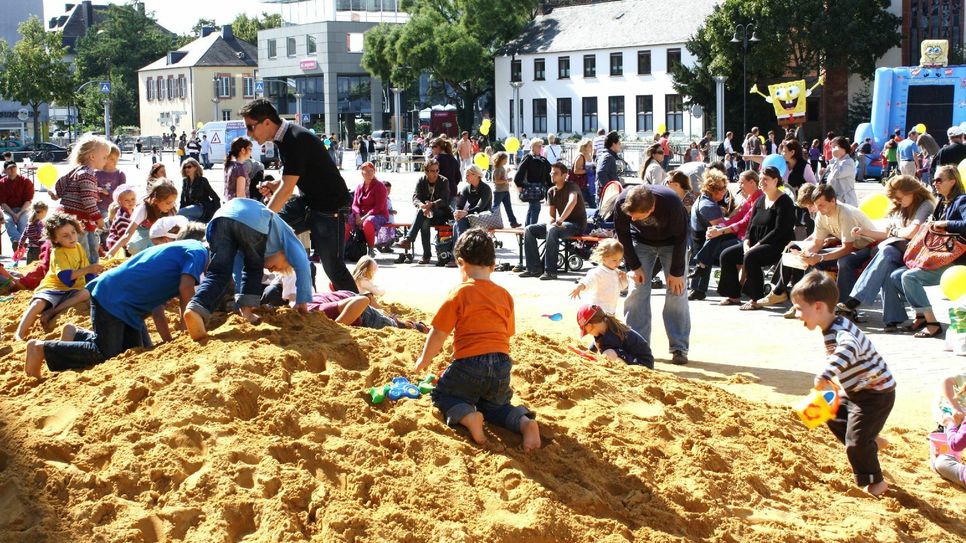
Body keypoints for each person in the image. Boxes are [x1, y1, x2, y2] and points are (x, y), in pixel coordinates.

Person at [413, 228, 541, 452]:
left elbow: (439, 334)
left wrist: (423, 360)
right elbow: (506, 333)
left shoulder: (459, 293)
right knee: (496, 406)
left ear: (461, 263)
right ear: (492, 266)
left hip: (470, 365)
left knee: (443, 394)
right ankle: (525, 423)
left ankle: (470, 418)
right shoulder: (504, 295)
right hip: (501, 365)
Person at [23, 236, 209, 377]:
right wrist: (188, 333)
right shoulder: (198, 252)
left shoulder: (185, 250)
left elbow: (158, 309)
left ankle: (75, 334)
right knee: (105, 352)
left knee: (130, 351)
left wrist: (171, 341)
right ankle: (41, 348)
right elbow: (186, 290)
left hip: (126, 303)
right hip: (113, 296)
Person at [790, 271, 895, 497]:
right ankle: (872, 441)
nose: (796, 314)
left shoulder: (841, 330)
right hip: (858, 390)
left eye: (799, 308)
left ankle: (875, 482)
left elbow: (849, 348)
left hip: (875, 394)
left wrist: (826, 373)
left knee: (855, 444)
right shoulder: (831, 326)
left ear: (818, 307)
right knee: (831, 412)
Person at [239, 98, 356, 292]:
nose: (248, 134)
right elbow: (295, 177)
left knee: (333, 267)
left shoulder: (294, 139)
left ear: (267, 122)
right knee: (261, 236)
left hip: (330, 207)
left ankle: (362, 310)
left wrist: (263, 221)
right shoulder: (284, 138)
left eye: (251, 127)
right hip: (309, 203)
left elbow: (287, 189)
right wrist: (275, 184)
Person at [183, 198, 313, 340]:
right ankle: (247, 312)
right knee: (253, 268)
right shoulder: (288, 237)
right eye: (277, 268)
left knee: (219, 273)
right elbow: (303, 265)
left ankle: (196, 308)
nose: (270, 270)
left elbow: (238, 273)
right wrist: (302, 301)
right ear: (285, 254)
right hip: (253, 219)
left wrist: (242, 303)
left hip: (220, 220)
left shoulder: (246, 249)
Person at [836, 176, 935, 329]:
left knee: (887, 252)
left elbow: (912, 232)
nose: (896, 200)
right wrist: (864, 232)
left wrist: (895, 231)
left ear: (911, 192)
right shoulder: (900, 206)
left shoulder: (925, 205)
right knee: (887, 262)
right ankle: (892, 319)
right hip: (900, 250)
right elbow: (887, 233)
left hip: (916, 255)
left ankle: (856, 299)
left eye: (899, 197)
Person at [614, 184, 690, 365]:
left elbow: (681, 237)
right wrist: (633, 266)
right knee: (637, 290)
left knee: (676, 291)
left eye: (638, 216)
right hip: (640, 242)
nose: (632, 218)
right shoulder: (622, 202)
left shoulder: (671, 203)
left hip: (672, 244)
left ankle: (679, 347)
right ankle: (636, 345)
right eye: (631, 215)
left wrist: (676, 272)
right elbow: (622, 233)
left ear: (652, 208)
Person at [893, 164, 966, 339]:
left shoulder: (961, 200)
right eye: (933, 179)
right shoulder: (942, 201)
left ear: (952, 181)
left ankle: (932, 323)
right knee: (896, 276)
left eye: (939, 180)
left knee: (909, 277)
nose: (935, 183)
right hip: (937, 256)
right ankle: (921, 316)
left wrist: (945, 224)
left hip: (953, 261)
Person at [717, 166, 795, 309]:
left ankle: (756, 299)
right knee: (727, 255)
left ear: (775, 180)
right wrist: (746, 241)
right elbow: (750, 226)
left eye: (766, 179)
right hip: (755, 243)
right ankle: (733, 295)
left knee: (751, 257)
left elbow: (780, 230)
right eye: (761, 179)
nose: (762, 182)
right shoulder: (760, 201)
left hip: (776, 245)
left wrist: (756, 245)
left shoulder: (785, 202)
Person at [15, 212, 102, 341]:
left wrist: (93, 282)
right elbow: (65, 277)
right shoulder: (58, 252)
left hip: (73, 290)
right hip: (54, 288)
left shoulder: (78, 247)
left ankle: (53, 311)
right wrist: (87, 269)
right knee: (38, 303)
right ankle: (20, 332)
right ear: (55, 239)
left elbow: (88, 274)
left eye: (73, 232)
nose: (72, 237)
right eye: (65, 235)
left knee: (86, 293)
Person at [692, 170, 762, 301]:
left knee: (720, 245)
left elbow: (744, 221)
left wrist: (721, 229)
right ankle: (731, 291)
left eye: (741, 183)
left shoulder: (757, 199)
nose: (739, 186)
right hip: (742, 236)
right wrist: (719, 228)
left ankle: (701, 264)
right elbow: (737, 219)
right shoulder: (750, 200)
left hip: (749, 238)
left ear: (752, 182)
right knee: (716, 237)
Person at [519, 162, 586, 280]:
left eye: (556, 173)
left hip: (576, 225)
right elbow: (551, 215)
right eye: (551, 173)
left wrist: (559, 221)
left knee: (553, 231)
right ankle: (534, 269)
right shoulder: (551, 191)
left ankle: (550, 271)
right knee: (529, 229)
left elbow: (573, 201)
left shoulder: (572, 186)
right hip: (560, 224)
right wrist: (552, 222)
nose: (552, 175)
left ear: (565, 175)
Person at [52, 134, 109, 265]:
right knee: (85, 249)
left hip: (74, 217)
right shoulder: (86, 174)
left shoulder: (77, 171)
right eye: (104, 157)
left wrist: (58, 194)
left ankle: (89, 270)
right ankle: (87, 273)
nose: (106, 160)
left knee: (90, 245)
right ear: (93, 157)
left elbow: (60, 184)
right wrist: (98, 218)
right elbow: (87, 199)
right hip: (79, 219)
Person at [398, 158, 453, 264]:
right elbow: (415, 197)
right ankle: (426, 255)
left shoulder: (443, 181)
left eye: (437, 170)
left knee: (422, 214)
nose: (435, 173)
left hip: (440, 214)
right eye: (432, 171)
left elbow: (444, 200)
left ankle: (409, 240)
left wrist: (431, 205)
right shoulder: (421, 181)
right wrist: (422, 205)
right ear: (426, 171)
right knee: (424, 221)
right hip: (425, 213)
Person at [105, 182, 178, 258]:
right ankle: (146, 258)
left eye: (173, 202)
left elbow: (176, 232)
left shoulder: (171, 210)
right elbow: (128, 234)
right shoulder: (144, 208)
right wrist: (111, 252)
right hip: (143, 233)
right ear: (156, 200)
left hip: (161, 234)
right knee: (133, 246)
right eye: (168, 203)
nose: (172, 205)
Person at [687, 170, 729, 300]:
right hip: (703, 240)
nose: (724, 191)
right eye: (721, 188)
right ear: (712, 189)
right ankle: (698, 290)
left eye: (724, 187)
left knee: (703, 261)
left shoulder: (702, 199)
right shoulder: (709, 205)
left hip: (697, 239)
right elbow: (722, 228)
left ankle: (698, 290)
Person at [576, 303, 653, 368]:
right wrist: (589, 351)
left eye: (586, 330)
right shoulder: (606, 326)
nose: (587, 333)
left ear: (589, 326)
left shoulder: (611, 337)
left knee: (608, 354)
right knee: (606, 351)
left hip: (643, 364)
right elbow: (596, 341)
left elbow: (608, 352)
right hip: (633, 357)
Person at [568, 238, 628, 315]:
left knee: (609, 326)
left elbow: (620, 287)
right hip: (597, 311)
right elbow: (588, 281)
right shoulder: (598, 272)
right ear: (604, 258)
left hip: (611, 309)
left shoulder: (616, 272)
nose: (618, 263)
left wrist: (624, 280)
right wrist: (580, 286)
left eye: (620, 259)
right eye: (614, 260)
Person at [350, 161, 390, 255]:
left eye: (371, 170)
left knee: (368, 221)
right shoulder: (359, 187)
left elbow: (379, 206)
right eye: (366, 171)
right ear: (362, 173)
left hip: (379, 214)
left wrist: (364, 217)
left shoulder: (380, 186)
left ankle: (371, 249)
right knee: (348, 220)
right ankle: (343, 248)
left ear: (374, 171)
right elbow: (355, 204)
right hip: (362, 215)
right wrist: (357, 215)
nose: (369, 173)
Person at [513, 138, 552, 227]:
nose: (540, 148)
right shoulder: (528, 158)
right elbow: (520, 172)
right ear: (532, 147)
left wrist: (551, 186)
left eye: (541, 146)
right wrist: (519, 184)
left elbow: (548, 173)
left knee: (532, 208)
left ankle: (527, 229)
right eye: (538, 146)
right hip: (530, 188)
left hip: (539, 189)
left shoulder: (542, 159)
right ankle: (531, 230)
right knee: (535, 208)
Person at [452, 164, 495, 243]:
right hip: (472, 216)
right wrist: (457, 212)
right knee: (458, 222)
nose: (465, 177)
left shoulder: (486, 188)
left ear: (475, 175)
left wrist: (466, 213)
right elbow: (459, 205)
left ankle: (460, 248)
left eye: (467, 175)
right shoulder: (466, 189)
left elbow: (480, 207)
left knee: (459, 223)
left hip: (483, 217)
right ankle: (460, 249)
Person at [0, 160, 33, 254]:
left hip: (23, 209)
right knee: (8, 220)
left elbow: (28, 200)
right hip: (8, 210)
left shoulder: (26, 181)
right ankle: (20, 243)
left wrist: (19, 213)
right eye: (9, 168)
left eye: (14, 167)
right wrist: (13, 214)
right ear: (5, 171)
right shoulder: (1, 183)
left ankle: (18, 246)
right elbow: (2, 203)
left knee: (23, 221)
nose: (12, 170)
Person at [93, 144, 125, 232]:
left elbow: (123, 194)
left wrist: (108, 192)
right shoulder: (96, 173)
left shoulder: (120, 174)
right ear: (104, 158)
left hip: (115, 208)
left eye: (117, 159)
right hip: (101, 207)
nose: (115, 161)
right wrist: (96, 193)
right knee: (104, 229)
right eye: (112, 159)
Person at [178, 158, 220, 222]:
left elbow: (216, 197)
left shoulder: (202, 180)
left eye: (189, 167)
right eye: (185, 167)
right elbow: (182, 200)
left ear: (195, 168)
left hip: (202, 208)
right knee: (186, 221)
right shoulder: (185, 181)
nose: (186, 169)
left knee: (178, 213)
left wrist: (216, 215)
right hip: (191, 209)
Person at [821, 136, 858, 206]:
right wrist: (823, 173)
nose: (833, 150)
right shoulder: (834, 162)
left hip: (846, 203)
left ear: (843, 147)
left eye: (835, 147)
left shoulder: (849, 162)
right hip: (833, 201)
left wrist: (835, 158)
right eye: (831, 147)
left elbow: (837, 174)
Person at [489, 151, 520, 228]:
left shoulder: (502, 168)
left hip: (505, 191)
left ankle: (513, 222)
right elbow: (496, 181)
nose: (506, 161)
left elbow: (502, 178)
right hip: (499, 192)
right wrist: (507, 180)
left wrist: (507, 173)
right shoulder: (498, 169)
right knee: (495, 208)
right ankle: (491, 221)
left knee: (508, 208)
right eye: (505, 159)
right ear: (501, 159)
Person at [106, 185, 136, 251]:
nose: (130, 202)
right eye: (126, 200)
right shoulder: (121, 217)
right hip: (117, 246)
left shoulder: (134, 212)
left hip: (125, 242)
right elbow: (124, 236)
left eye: (133, 199)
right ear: (120, 202)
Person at [433, 138, 462, 204]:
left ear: (438, 147)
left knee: (438, 213)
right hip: (452, 190)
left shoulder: (436, 160)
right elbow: (458, 177)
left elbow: (431, 176)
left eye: (433, 147)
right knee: (451, 213)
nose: (432, 149)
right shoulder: (453, 159)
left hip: (439, 193)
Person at [224, 137, 251, 202]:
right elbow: (240, 194)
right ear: (243, 150)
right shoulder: (240, 168)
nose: (251, 152)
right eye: (250, 149)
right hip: (238, 207)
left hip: (228, 204)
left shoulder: (230, 164)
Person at [596, 131, 622, 198]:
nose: (620, 146)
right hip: (607, 196)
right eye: (619, 144)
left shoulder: (606, 155)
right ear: (613, 144)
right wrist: (609, 190)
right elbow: (601, 173)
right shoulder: (608, 157)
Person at [572, 138, 595, 207]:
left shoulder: (589, 156)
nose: (592, 147)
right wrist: (588, 170)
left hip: (589, 184)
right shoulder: (581, 157)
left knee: (592, 204)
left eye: (592, 145)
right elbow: (575, 171)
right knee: (580, 205)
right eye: (590, 146)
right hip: (582, 185)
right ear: (584, 147)